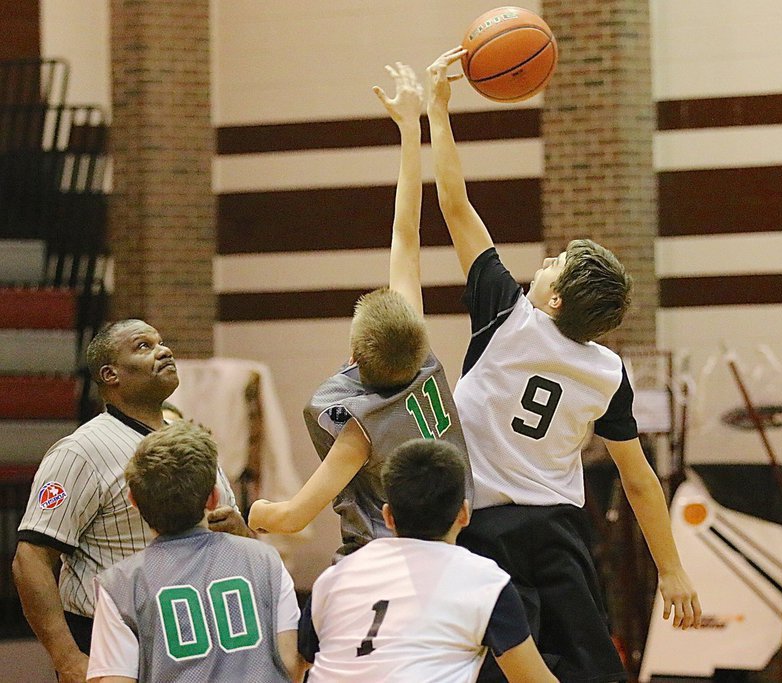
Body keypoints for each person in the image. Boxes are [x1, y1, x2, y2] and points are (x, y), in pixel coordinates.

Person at [425, 48, 701, 682]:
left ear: (552, 298)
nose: (540, 267)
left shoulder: (508, 316)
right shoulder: (608, 372)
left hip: (484, 534)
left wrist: (439, 109)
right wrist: (673, 569)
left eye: (551, 266)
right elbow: (638, 481)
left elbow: (456, 205)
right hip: (560, 537)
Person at [248, 63, 473, 560]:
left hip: (383, 561)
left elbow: (293, 516)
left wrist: (250, 511)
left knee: (306, 631)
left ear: (354, 355)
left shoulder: (359, 428)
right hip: (458, 552)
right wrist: (412, 130)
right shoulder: (425, 365)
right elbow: (407, 236)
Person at [13, 319, 250, 683]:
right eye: (143, 346)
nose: (164, 351)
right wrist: (68, 658)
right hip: (110, 643)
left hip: (196, 640)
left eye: (161, 342)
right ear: (111, 374)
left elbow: (241, 547)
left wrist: (239, 532)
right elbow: (30, 560)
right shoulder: (81, 451)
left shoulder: (193, 444)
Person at [298, 438, 557, 683]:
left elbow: (298, 665)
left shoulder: (333, 578)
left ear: (388, 517)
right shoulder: (486, 582)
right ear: (464, 514)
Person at [86, 421, 303, 682]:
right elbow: (290, 663)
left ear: (133, 500)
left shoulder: (120, 585)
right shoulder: (265, 560)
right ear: (213, 498)